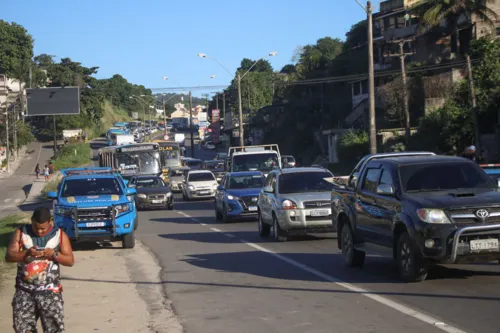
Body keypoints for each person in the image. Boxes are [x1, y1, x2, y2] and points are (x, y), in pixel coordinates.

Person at [5, 207, 74, 333]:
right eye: (37, 227)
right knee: (22, 328)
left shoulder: (60, 235)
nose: (40, 231)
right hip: (24, 291)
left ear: (50, 222)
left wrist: (54, 254)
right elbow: (9, 256)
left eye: (44, 228)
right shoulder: (21, 233)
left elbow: (70, 261)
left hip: (50, 292)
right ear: (31, 221)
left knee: (54, 329)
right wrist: (26, 254)